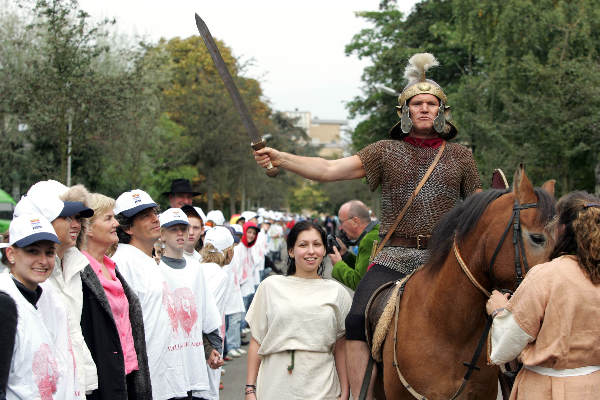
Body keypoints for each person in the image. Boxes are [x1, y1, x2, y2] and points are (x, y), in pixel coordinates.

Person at [255, 53, 481, 398]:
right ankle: (363, 394)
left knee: (489, 313)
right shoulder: (385, 152)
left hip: (443, 255)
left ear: (441, 111)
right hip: (394, 255)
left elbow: (477, 208)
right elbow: (329, 169)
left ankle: (501, 380)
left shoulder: (461, 156)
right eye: (417, 103)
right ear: (405, 111)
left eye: (431, 104)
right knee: (356, 319)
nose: (424, 109)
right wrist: (282, 158)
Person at [486, 191, 600, 399]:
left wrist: (499, 311)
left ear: (562, 229)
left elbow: (505, 348)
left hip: (546, 390)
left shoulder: (546, 275)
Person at [244, 221, 351, 400]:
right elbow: (257, 340)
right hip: (275, 386)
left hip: (322, 387)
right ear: (291, 251)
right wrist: (250, 389)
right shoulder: (270, 286)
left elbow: (341, 346)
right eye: (303, 245)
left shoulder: (337, 292)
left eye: (317, 244)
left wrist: (345, 389)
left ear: (324, 250)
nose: (311, 251)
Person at [14, 180, 97, 397]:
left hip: (72, 387)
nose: (77, 225)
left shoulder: (77, 265)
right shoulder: (27, 276)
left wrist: (84, 382)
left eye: (79, 218)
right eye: (68, 217)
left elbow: (73, 335)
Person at [80, 193, 152, 399]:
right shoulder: (81, 273)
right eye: (108, 218)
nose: (116, 223)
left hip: (129, 372)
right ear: (89, 228)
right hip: (103, 380)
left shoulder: (112, 268)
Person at [0, 213, 77, 399]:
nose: (43, 261)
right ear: (11, 254)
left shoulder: (37, 298)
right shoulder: (5, 304)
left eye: (49, 252)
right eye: (33, 251)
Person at [111, 189, 175, 400]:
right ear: (128, 227)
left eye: (154, 212)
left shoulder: (147, 259)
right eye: (144, 216)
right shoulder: (123, 262)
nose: (155, 219)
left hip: (163, 372)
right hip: (144, 379)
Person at [157, 208, 222, 399]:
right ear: (162, 234)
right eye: (173, 229)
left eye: (183, 229)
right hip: (168, 361)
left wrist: (212, 347)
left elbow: (205, 311)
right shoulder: (156, 268)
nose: (180, 233)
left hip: (192, 359)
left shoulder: (196, 268)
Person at [193, 226, 236, 400]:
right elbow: (208, 313)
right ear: (228, 252)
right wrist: (211, 348)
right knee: (208, 391)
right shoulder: (219, 275)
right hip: (209, 338)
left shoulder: (198, 267)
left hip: (197, 340)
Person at [329, 200, 380, 291]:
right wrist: (345, 255)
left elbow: (359, 283)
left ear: (355, 221)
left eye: (341, 222)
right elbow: (364, 270)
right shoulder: (376, 232)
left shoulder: (369, 240)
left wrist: (338, 265)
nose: (340, 227)